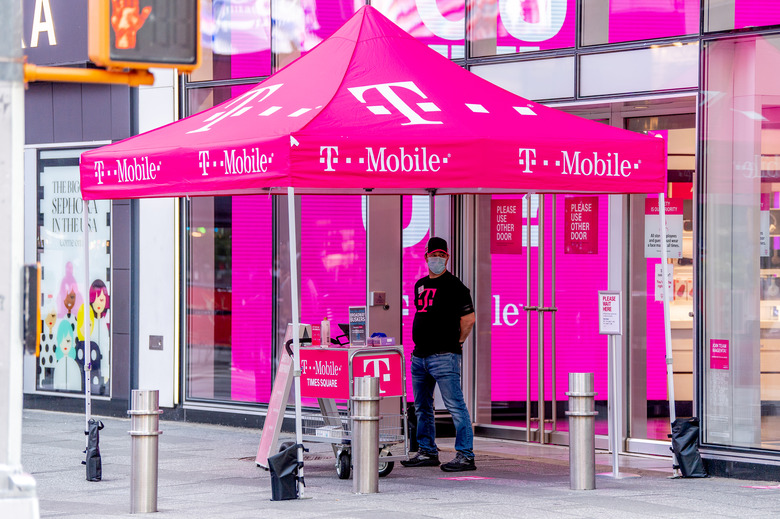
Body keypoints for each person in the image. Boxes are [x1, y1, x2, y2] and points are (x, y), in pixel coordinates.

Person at [401, 237, 477, 472]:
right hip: (419, 356)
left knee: (455, 405)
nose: (437, 259)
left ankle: (465, 455)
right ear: (426, 258)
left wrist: (459, 342)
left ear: (447, 258)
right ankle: (427, 451)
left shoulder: (456, 286)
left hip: (444, 356)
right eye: (433, 255)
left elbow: (469, 319)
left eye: (441, 255)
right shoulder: (420, 285)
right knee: (423, 407)